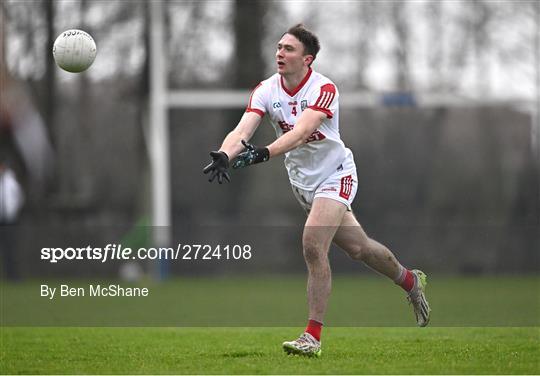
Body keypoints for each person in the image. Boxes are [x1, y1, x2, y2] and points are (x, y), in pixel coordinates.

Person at [203, 24, 430, 357]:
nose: (280, 53)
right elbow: (243, 129)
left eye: (289, 49)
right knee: (360, 248)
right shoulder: (266, 90)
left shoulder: (324, 88)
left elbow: (300, 132)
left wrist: (263, 153)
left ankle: (312, 337)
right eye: (279, 47)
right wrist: (225, 153)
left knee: (312, 242)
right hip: (304, 185)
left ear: (307, 59)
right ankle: (409, 280)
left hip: (336, 175)